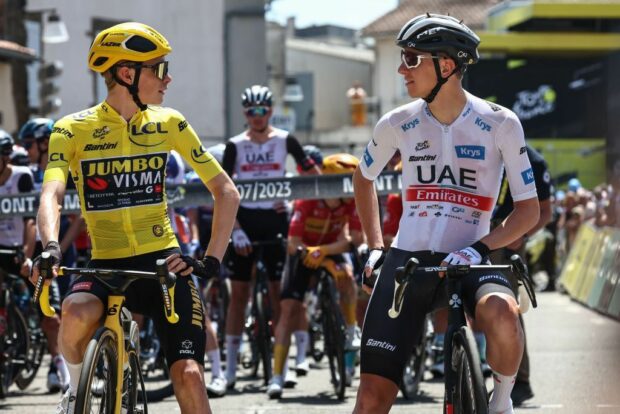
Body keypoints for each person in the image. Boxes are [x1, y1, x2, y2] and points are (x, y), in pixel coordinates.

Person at [30, 22, 240, 414]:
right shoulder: (71, 130)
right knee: (74, 314)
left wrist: (209, 259)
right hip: (106, 263)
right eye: (159, 68)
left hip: (163, 263)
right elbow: (51, 194)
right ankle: (76, 393)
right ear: (127, 74)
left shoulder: (169, 122)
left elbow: (226, 191)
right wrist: (52, 247)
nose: (168, 78)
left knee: (190, 375)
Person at [352, 14, 540, 414]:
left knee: (504, 314)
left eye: (411, 58)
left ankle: (502, 401)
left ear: (447, 64)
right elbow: (363, 177)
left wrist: (480, 249)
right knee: (370, 400)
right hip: (409, 260)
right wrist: (374, 246)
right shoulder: (398, 123)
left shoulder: (500, 123)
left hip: (470, 259)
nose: (401, 69)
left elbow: (528, 211)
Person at [221, 84, 320, 389]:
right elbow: (222, 190)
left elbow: (313, 177)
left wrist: (293, 200)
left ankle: (283, 365)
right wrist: (234, 229)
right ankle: (231, 370)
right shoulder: (234, 145)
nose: (257, 117)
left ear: (271, 111)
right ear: (245, 114)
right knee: (238, 295)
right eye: (251, 112)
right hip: (246, 220)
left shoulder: (285, 139)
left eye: (262, 111)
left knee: (281, 297)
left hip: (276, 218)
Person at [267, 153, 364, 398]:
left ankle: (351, 333)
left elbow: (356, 240)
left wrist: (325, 253)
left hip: (329, 250)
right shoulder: (308, 201)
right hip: (303, 253)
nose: (351, 189)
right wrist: (313, 253)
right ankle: (277, 375)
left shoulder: (351, 203)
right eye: (347, 182)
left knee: (348, 278)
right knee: (288, 308)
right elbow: (292, 244)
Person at [2, 126, 72, 394]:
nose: (29, 148)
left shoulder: (22, 177)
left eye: (32, 143)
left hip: (29, 249)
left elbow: (31, 219)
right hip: (3, 250)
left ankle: (59, 364)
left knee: (50, 316)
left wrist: (29, 253)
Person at [490, 143, 552, 406]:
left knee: (505, 307)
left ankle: (520, 381)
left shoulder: (534, 161)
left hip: (509, 236)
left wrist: (522, 235)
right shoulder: (484, 150)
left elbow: (545, 211)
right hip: (477, 230)